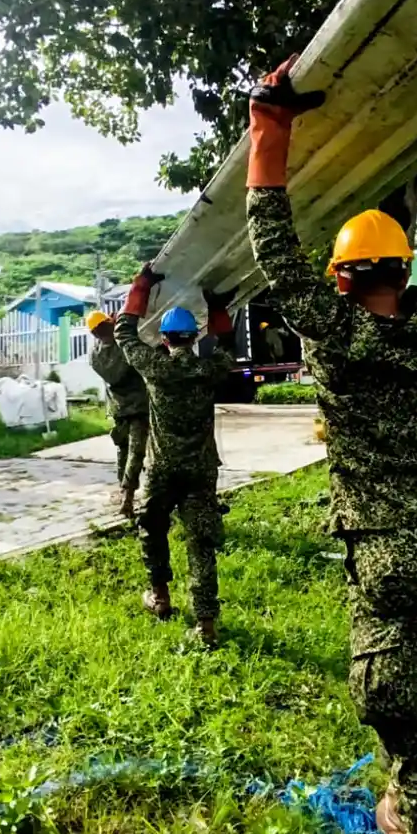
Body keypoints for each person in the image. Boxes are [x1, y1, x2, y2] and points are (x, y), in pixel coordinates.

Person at [243, 56, 417, 834]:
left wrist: (269, 124)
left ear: (343, 279)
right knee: (408, 701)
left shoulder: (338, 335)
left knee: (411, 734)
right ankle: (401, 817)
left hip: (385, 564)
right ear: (406, 268)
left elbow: (274, 249)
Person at [114, 270, 237, 648]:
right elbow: (228, 345)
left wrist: (141, 287)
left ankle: (160, 597)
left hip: (162, 470)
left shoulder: (157, 369)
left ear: (165, 340)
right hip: (201, 471)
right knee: (200, 542)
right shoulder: (209, 369)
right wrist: (217, 306)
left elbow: (123, 333)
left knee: (152, 528)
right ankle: (206, 624)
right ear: (193, 336)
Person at [86, 309, 149, 518]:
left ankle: (123, 490)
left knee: (123, 450)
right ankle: (128, 496)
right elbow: (125, 366)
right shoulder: (121, 348)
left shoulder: (94, 355)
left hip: (119, 409)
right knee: (136, 452)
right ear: (105, 327)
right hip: (138, 406)